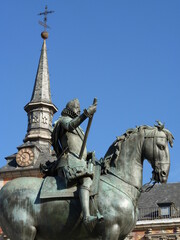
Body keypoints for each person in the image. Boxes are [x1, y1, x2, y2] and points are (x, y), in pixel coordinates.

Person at [51, 98, 99, 224]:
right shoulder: (62, 121)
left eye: (79, 109)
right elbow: (70, 125)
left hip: (78, 160)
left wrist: (88, 155)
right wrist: (86, 113)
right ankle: (86, 217)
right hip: (68, 161)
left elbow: (77, 147)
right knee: (86, 179)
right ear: (71, 109)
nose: (78, 111)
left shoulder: (78, 129)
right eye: (77, 108)